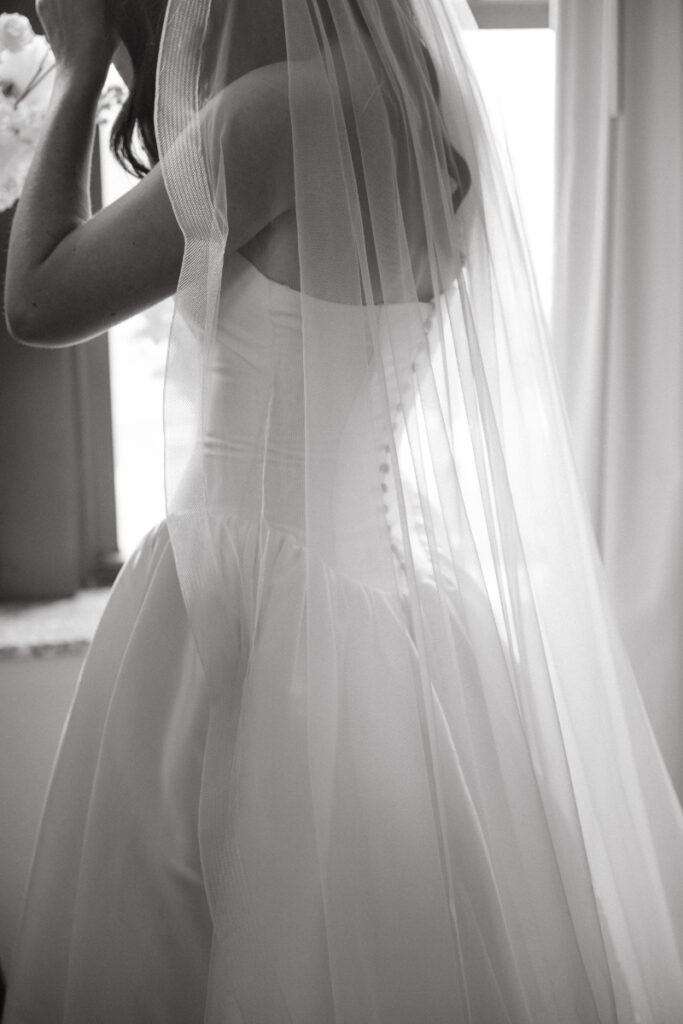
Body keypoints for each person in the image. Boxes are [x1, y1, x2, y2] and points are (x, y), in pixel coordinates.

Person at [4, 0, 683, 1021]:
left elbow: (38, 301)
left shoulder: (259, 122)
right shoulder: (432, 112)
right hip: (390, 606)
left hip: (233, 606)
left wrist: (79, 59)